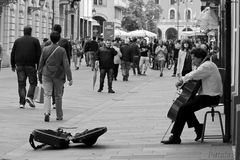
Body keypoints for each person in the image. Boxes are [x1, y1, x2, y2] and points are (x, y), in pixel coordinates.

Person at [161, 48, 223, 144]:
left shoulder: (207, 66)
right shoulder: (206, 65)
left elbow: (195, 74)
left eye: (194, 59)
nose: (193, 61)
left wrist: (182, 80)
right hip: (208, 95)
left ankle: (176, 136)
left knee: (183, 108)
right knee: (186, 107)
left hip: (211, 97)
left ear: (199, 58)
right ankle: (198, 128)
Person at [38, 31, 73, 122]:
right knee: (58, 95)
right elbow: (66, 64)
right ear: (58, 39)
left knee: (47, 94)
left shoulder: (45, 49)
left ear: (50, 38)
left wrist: (39, 75)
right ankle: (59, 115)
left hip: (46, 74)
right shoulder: (62, 50)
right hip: (58, 75)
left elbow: (41, 63)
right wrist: (69, 78)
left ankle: (46, 113)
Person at [10, 26, 41, 109]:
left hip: (19, 65)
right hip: (30, 65)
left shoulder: (17, 41)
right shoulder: (35, 41)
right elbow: (39, 55)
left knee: (21, 84)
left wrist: (13, 65)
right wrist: (39, 67)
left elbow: (13, 53)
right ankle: (30, 97)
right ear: (31, 32)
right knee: (33, 82)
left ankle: (22, 103)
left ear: (23, 32)